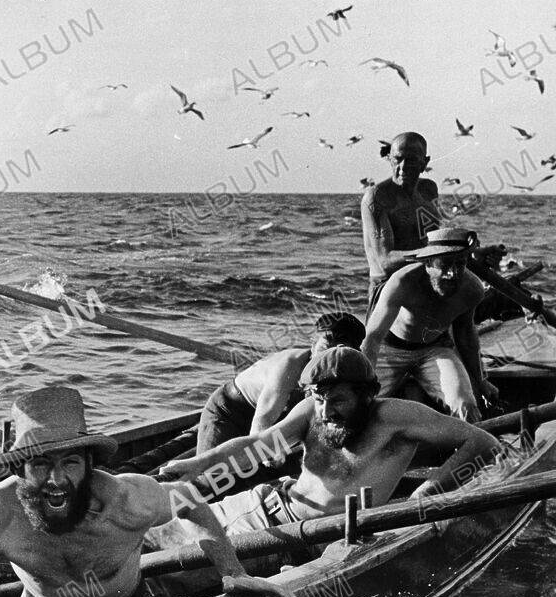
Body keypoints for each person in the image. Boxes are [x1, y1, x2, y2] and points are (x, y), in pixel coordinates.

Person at [0, 387, 303, 597]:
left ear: (89, 465)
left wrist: (232, 572)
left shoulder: (126, 500)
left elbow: (191, 500)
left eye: (71, 463)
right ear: (19, 469)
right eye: (41, 464)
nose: (57, 480)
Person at [159, 348, 502, 540]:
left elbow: (483, 442)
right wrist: (198, 465)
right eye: (320, 399)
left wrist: (426, 494)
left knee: (182, 567)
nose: (326, 410)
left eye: (337, 400)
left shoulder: (398, 417)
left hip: (312, 538)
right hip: (265, 507)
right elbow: (259, 444)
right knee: (153, 536)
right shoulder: (313, 410)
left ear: (367, 395)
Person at [362, 227, 499, 423]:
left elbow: (466, 337)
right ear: (427, 263)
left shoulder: (473, 289)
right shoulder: (402, 283)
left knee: (465, 404)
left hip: (434, 350)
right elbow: (372, 337)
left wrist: (481, 381)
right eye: (444, 265)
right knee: (362, 406)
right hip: (389, 349)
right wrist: (364, 380)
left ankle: (473, 450)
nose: (452, 274)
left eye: (460, 265)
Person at [198, 312, 366, 455]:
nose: (327, 360)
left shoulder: (351, 370)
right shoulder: (290, 366)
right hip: (231, 410)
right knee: (210, 478)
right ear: (312, 346)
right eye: (323, 351)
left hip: (278, 417)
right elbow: (262, 420)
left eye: (335, 354)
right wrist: (267, 454)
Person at [360, 132, 441, 318]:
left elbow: (436, 240)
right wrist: (438, 254)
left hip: (425, 278)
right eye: (397, 159)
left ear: (424, 163)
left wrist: (469, 251)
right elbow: (386, 261)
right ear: (390, 159)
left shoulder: (428, 190)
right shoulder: (377, 197)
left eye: (411, 160)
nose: (403, 167)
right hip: (388, 287)